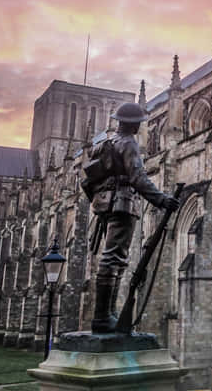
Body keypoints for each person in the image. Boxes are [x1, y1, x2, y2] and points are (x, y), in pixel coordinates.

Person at [87, 102, 180, 333]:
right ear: (133, 123)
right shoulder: (128, 143)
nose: (140, 127)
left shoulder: (107, 143)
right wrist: (161, 199)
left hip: (107, 203)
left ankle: (108, 314)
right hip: (123, 203)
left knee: (115, 259)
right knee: (113, 258)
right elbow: (138, 178)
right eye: (138, 123)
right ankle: (102, 316)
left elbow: (90, 178)